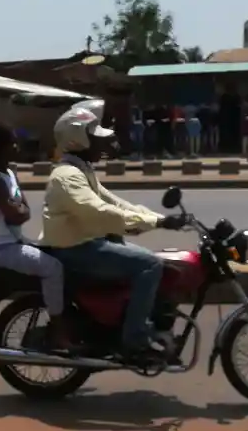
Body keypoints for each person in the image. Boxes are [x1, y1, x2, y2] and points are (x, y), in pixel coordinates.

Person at [39, 99, 187, 362]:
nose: (102, 144)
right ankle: (135, 340)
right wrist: (157, 223)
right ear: (78, 140)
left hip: (85, 244)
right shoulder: (67, 176)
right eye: (95, 138)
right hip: (75, 250)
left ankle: (136, 322)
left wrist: (159, 218)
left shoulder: (82, 170)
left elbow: (117, 203)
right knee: (149, 265)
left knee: (160, 264)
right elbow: (99, 211)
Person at [0, 121, 72, 351]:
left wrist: (18, 210)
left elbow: (24, 211)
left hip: (15, 241)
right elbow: (15, 215)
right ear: (0, 148)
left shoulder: (9, 173)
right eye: (12, 143)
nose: (17, 146)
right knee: (53, 268)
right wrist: (18, 210)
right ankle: (58, 331)